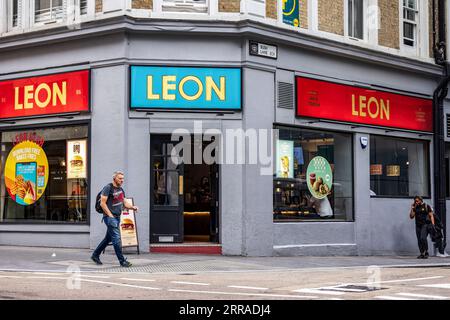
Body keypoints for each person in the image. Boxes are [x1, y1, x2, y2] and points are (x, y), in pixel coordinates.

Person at [91, 171, 139, 267]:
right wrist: (110, 216)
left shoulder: (121, 189)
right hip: (110, 218)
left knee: (108, 238)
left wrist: (132, 207)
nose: (122, 180)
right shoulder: (108, 188)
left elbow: (124, 202)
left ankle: (95, 255)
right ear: (114, 179)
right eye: (120, 178)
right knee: (116, 239)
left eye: (122, 178)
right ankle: (122, 261)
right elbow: (102, 203)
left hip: (117, 217)